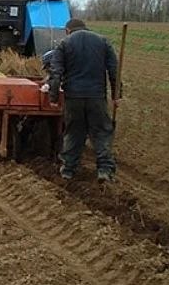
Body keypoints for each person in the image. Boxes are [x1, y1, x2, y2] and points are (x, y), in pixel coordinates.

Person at [46, 18, 120, 181]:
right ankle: (104, 170)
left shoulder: (64, 44)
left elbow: (55, 73)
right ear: (86, 28)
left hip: (73, 97)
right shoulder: (103, 42)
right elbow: (115, 71)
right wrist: (116, 95)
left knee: (74, 132)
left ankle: (68, 170)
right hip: (97, 96)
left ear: (67, 31)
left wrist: (53, 97)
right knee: (101, 132)